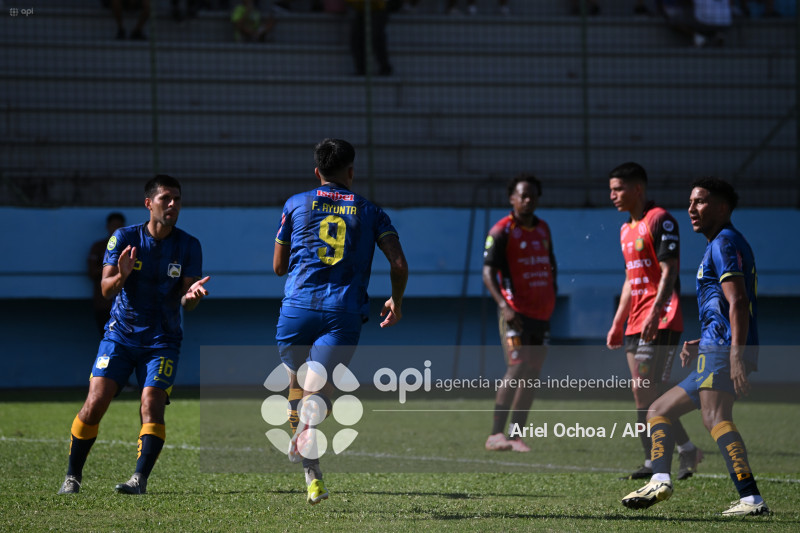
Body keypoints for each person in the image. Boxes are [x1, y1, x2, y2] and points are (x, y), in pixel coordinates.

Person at [622, 177, 769, 517]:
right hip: (715, 347)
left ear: (721, 207)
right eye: (690, 202)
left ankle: (750, 497)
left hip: (723, 351)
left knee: (715, 417)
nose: (691, 209)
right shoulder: (719, 243)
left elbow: (738, 302)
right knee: (659, 410)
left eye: (700, 202)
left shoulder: (724, 243)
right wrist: (702, 339)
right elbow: (724, 306)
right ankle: (660, 477)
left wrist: (734, 355)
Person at [273, 138, 408, 504]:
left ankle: (312, 477)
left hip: (296, 311)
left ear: (317, 172)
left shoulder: (295, 203)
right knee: (319, 395)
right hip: (342, 312)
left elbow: (278, 267)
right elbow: (398, 263)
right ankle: (306, 429)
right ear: (351, 172)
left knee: (297, 387)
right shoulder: (371, 212)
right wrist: (395, 299)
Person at [58, 175, 210, 495]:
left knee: (151, 402)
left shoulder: (188, 245)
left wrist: (191, 298)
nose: (172, 205)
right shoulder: (125, 238)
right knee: (95, 402)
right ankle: (72, 477)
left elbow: (187, 300)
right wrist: (123, 274)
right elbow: (105, 288)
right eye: (165, 199)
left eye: (177, 199)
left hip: (163, 340)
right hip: (121, 336)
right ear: (149, 204)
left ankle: (138, 480)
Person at [607, 162, 700, 480]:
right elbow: (631, 279)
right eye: (611, 189)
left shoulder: (660, 219)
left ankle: (659, 459)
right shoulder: (625, 229)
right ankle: (682, 450)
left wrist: (655, 311)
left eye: (618, 189)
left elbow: (669, 270)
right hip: (636, 320)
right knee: (645, 393)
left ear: (638, 189)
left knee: (647, 390)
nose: (613, 196)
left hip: (661, 319)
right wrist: (618, 321)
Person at [482, 174, 556, 452]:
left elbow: (551, 266)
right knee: (517, 368)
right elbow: (488, 272)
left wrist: (551, 296)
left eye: (532, 196)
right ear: (511, 198)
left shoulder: (543, 229)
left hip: (542, 314)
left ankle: (515, 436)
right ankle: (495, 435)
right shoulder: (501, 231)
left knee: (532, 373)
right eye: (522, 196)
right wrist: (504, 306)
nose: (527, 201)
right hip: (515, 313)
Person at [88, 212, 127, 336]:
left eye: (118, 227)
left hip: (125, 306)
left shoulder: (129, 248)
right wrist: (111, 266)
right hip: (103, 304)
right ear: (107, 227)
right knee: (107, 339)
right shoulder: (99, 247)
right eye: (113, 226)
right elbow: (92, 272)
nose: (115, 230)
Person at [346, 0, 393, 76]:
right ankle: (361, 69)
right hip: (361, 9)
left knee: (376, 36)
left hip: (378, 9)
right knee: (356, 38)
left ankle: (385, 67)